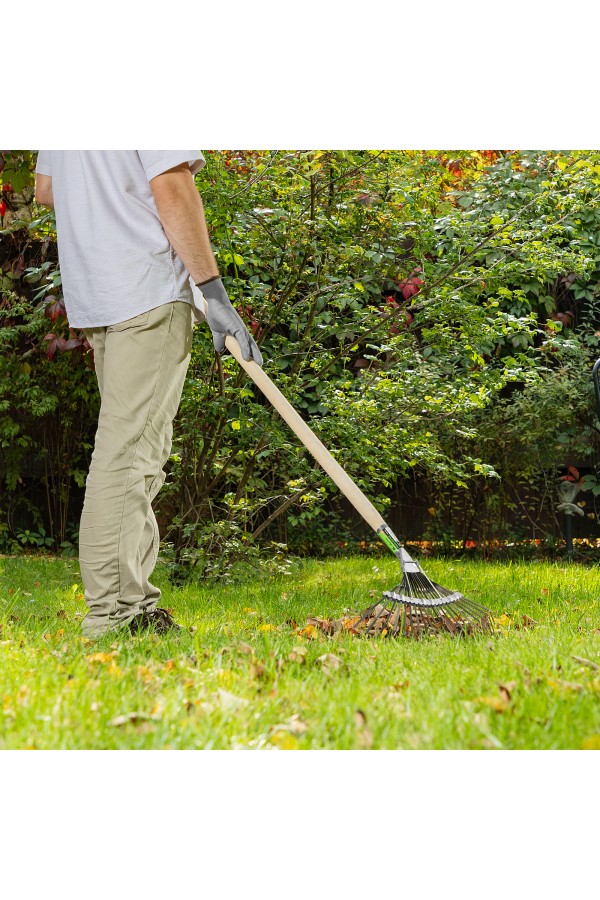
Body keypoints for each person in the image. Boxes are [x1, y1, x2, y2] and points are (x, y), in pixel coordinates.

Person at [35, 151, 263, 637]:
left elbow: (47, 189)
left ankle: (133, 603)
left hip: (98, 296)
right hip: (145, 290)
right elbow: (172, 187)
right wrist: (216, 294)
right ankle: (114, 615)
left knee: (136, 454)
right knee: (128, 457)